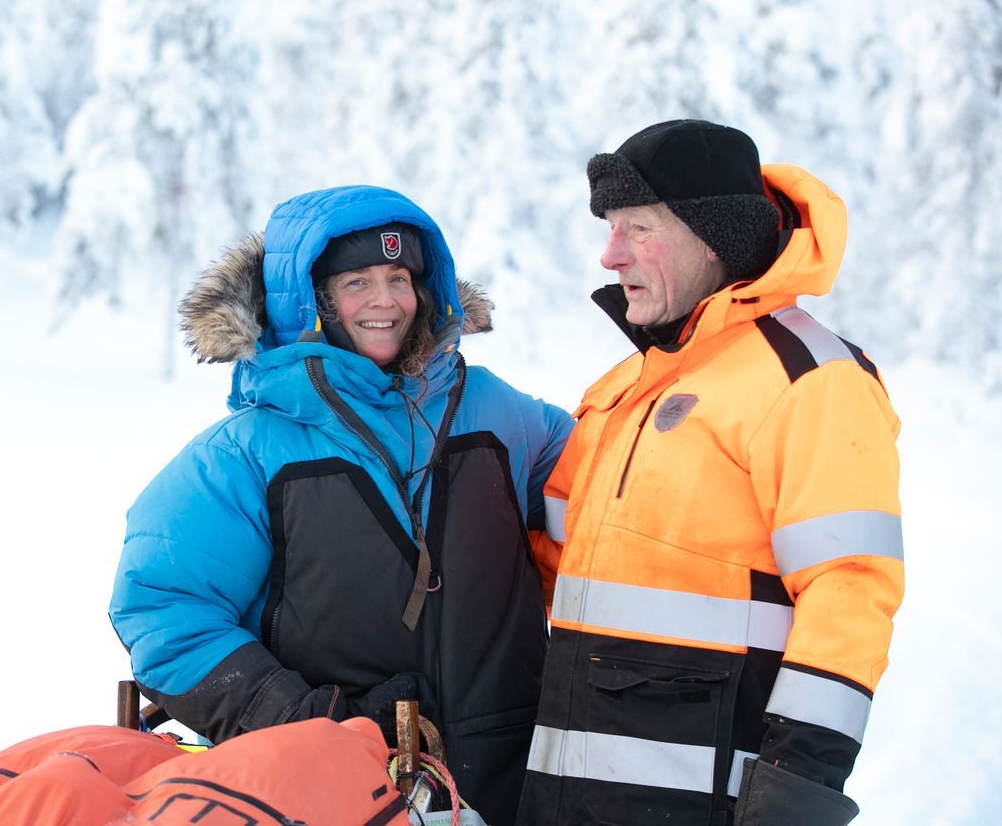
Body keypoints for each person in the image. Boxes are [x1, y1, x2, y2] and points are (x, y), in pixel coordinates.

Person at [110, 184, 573, 825]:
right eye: (357, 282)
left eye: (399, 277)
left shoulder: (496, 412)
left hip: (513, 779)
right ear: (312, 300)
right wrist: (307, 725)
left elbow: (610, 482)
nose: (385, 301)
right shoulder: (244, 454)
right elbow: (164, 609)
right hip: (334, 797)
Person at [518, 120, 904, 826]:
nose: (610, 255)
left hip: (705, 802)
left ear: (712, 236)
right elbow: (547, 574)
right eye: (610, 228)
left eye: (636, 228)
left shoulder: (809, 379)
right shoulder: (623, 390)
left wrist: (797, 790)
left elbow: (848, 591)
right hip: (568, 794)